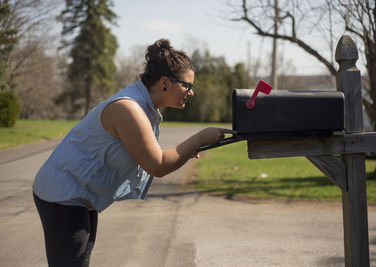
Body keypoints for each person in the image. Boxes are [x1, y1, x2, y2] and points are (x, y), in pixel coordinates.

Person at [33, 38, 232, 267]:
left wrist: (188, 149)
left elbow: (150, 154)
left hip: (81, 196)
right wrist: (199, 137)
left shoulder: (145, 107)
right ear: (165, 82)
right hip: (62, 194)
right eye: (187, 85)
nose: (191, 92)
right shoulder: (130, 109)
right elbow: (157, 165)